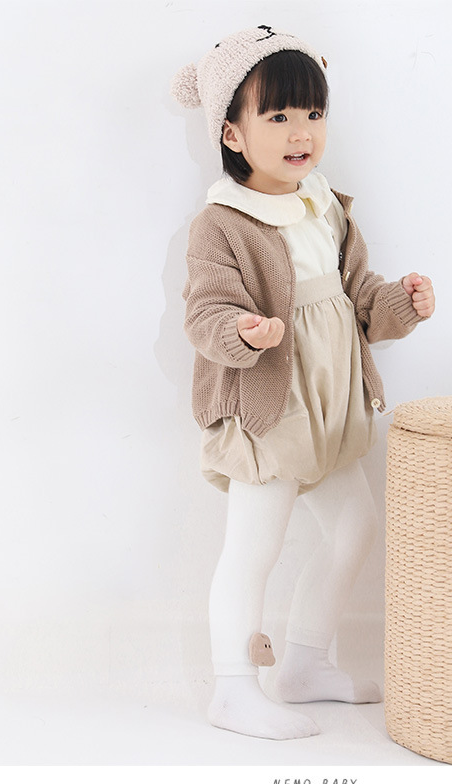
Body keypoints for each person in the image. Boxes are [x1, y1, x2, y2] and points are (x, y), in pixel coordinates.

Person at [171, 25, 435, 740]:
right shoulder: (223, 223)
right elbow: (205, 312)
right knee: (253, 546)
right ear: (232, 132)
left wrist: (402, 303)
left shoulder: (327, 206)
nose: (301, 132)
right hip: (270, 408)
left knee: (355, 527)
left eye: (314, 114)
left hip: (330, 406)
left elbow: (359, 299)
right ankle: (233, 687)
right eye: (279, 115)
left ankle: (306, 663)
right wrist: (243, 331)